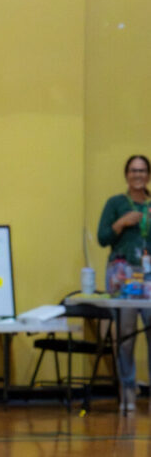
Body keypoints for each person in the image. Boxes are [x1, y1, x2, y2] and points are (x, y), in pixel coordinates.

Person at [97, 154, 151, 411]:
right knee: (126, 336)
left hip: (149, 276)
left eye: (142, 171)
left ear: (148, 175)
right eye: (133, 170)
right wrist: (121, 223)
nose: (137, 175)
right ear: (126, 175)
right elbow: (102, 237)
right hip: (124, 276)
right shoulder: (116, 203)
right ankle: (127, 388)